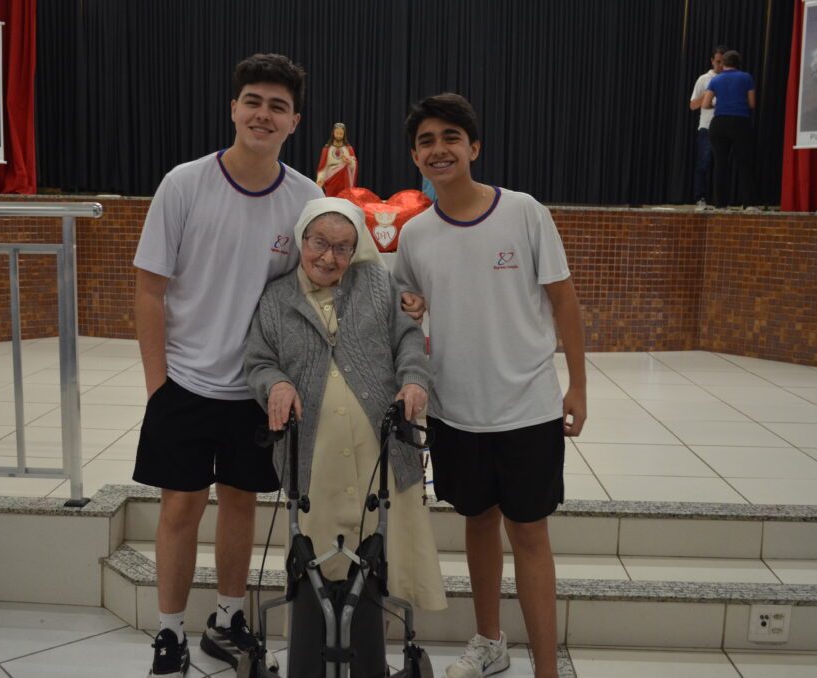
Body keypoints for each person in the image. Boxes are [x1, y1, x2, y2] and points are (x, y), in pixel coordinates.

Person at [132, 53, 323, 678]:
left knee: (242, 503)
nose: (263, 115)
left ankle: (228, 617)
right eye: (253, 102)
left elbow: (317, 289)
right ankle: (169, 631)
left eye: (277, 106)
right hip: (185, 382)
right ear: (234, 109)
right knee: (180, 508)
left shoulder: (306, 198)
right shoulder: (184, 184)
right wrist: (158, 386)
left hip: (256, 388)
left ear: (294, 122)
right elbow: (149, 289)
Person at [395, 93, 587, 678]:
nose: (439, 150)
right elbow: (407, 313)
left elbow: (564, 301)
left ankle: (547, 667)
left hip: (528, 407)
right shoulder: (415, 235)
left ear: (474, 147)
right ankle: (489, 642)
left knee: (529, 533)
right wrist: (412, 307)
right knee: (477, 523)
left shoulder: (524, 212)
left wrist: (578, 387)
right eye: (426, 141)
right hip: (455, 410)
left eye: (451, 137)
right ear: (415, 157)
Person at [245, 196, 446, 677]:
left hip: (381, 452)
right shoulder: (275, 299)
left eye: (342, 247)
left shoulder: (377, 283)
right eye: (319, 243)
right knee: (317, 562)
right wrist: (276, 384)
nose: (329, 257)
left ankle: (371, 659)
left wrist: (414, 380)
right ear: (302, 239)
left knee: (380, 560)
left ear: (356, 250)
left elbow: (408, 339)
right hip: (314, 460)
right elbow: (259, 361)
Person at [702, 50, 758, 210]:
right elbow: (752, 104)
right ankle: (749, 204)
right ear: (738, 63)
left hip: (719, 123)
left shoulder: (715, 79)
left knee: (720, 165)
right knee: (744, 164)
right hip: (740, 122)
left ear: (723, 64)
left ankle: (721, 205)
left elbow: (705, 104)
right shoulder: (746, 77)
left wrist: (720, 104)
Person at [688, 46, 726, 211]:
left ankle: (722, 201)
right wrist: (709, 92)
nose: (721, 65)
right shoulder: (704, 79)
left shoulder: (730, 78)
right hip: (707, 127)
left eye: (723, 62)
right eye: (718, 62)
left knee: (723, 164)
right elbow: (692, 105)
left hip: (725, 127)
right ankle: (700, 198)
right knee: (704, 163)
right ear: (712, 61)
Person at [316, 122, 358, 196]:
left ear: (344, 135)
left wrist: (350, 162)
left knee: (343, 198)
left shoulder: (348, 148)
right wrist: (320, 179)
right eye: (337, 133)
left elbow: (354, 164)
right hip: (331, 179)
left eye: (341, 134)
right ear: (333, 133)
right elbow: (323, 166)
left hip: (344, 180)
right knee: (331, 199)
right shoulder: (327, 149)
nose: (338, 135)